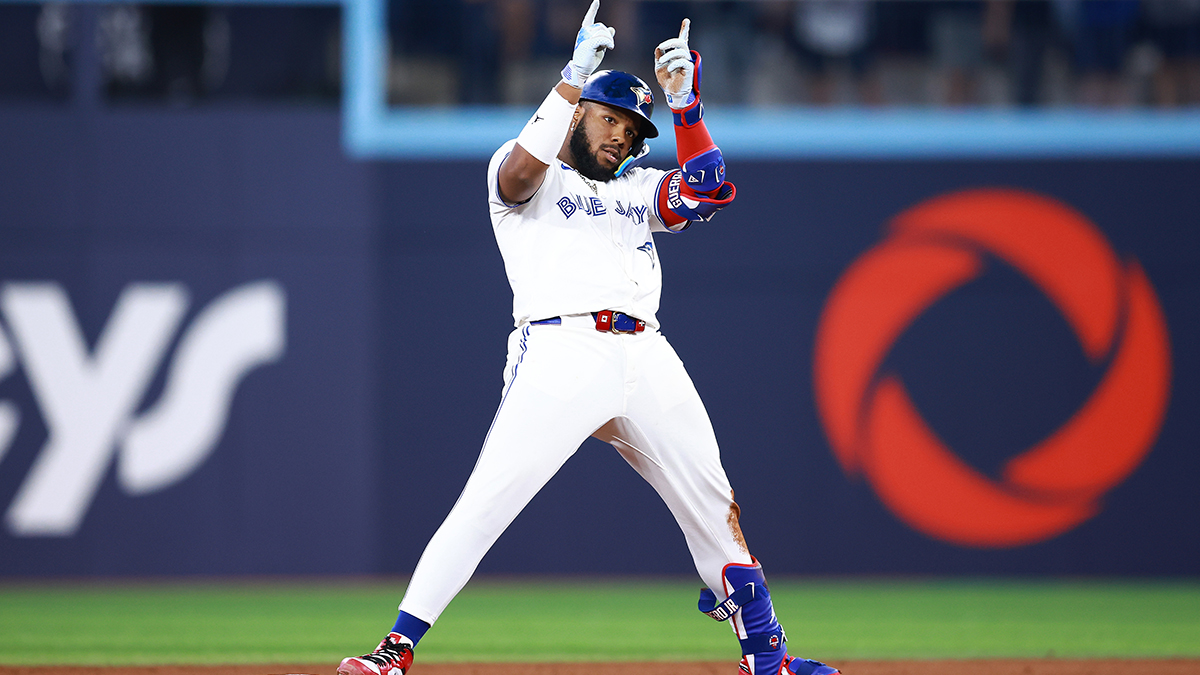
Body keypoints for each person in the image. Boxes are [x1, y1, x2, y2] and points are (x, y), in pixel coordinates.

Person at [337, 3, 841, 675]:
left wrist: (686, 108)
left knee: (715, 507)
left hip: (646, 354)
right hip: (560, 351)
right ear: (578, 114)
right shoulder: (529, 177)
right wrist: (572, 77)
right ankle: (393, 651)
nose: (621, 137)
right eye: (610, 119)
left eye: (633, 130)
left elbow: (708, 190)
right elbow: (518, 174)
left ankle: (768, 658)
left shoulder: (636, 187)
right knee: (486, 503)